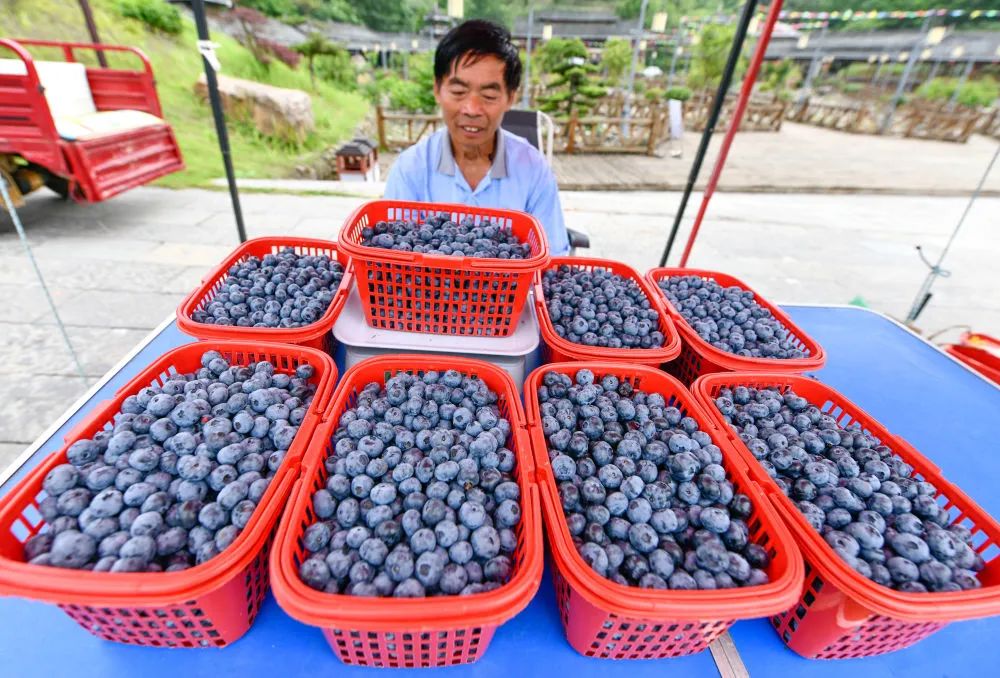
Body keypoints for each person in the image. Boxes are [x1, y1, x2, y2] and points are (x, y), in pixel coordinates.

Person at [383, 20, 571, 255]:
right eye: (459, 92)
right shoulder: (410, 169)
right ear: (437, 89)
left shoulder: (533, 170)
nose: (472, 109)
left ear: (510, 98)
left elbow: (552, 257)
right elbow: (392, 257)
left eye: (489, 95)